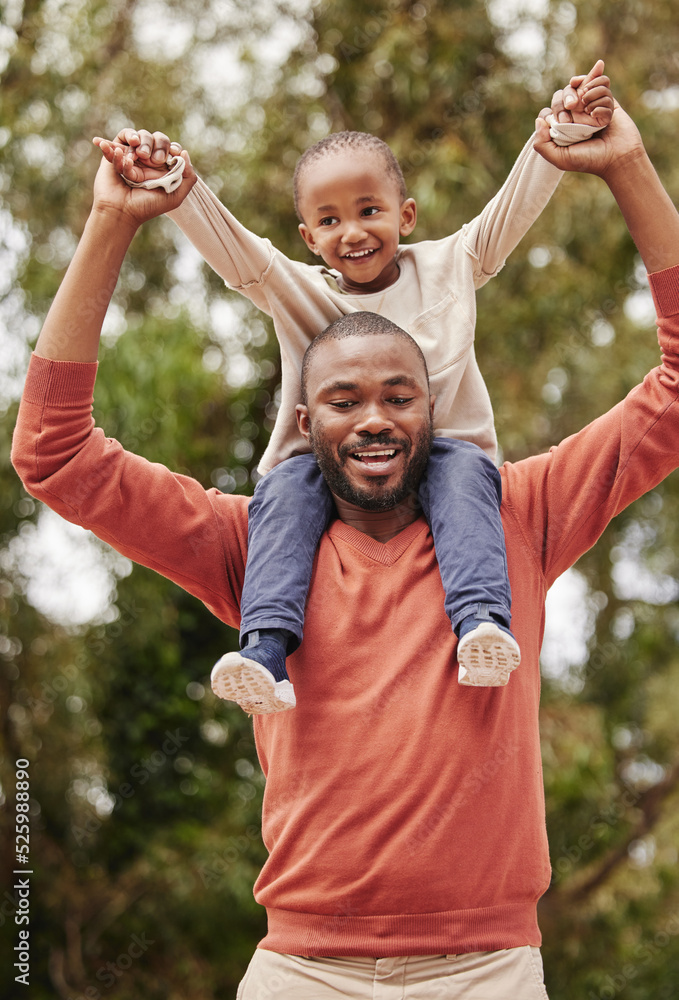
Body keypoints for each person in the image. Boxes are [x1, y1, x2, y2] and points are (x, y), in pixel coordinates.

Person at [12, 87, 679, 995]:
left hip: (485, 968)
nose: (373, 419)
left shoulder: (516, 518)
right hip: (302, 971)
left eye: (399, 397)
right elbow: (54, 453)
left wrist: (626, 166)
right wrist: (109, 223)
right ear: (302, 418)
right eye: (342, 400)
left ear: (434, 410)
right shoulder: (252, 547)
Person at [92, 64, 613, 713]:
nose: (354, 232)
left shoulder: (450, 264)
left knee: (467, 478)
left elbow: (508, 212)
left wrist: (559, 135)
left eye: (369, 211)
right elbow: (238, 253)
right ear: (309, 236)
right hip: (326, 467)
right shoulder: (301, 292)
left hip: (442, 454)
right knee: (282, 491)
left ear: (406, 213)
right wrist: (178, 185)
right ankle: (264, 647)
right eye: (331, 221)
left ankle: (480, 622)